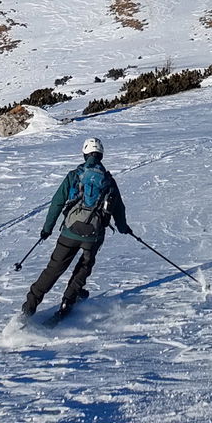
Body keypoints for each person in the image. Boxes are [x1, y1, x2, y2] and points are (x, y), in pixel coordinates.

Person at [23, 136, 132, 317]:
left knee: (54, 269)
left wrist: (47, 229)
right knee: (84, 266)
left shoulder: (74, 175)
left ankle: (30, 306)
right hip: (94, 235)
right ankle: (68, 300)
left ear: (84, 154)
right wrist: (123, 227)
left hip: (70, 232)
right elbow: (118, 208)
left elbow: (57, 202)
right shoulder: (108, 180)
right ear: (101, 155)